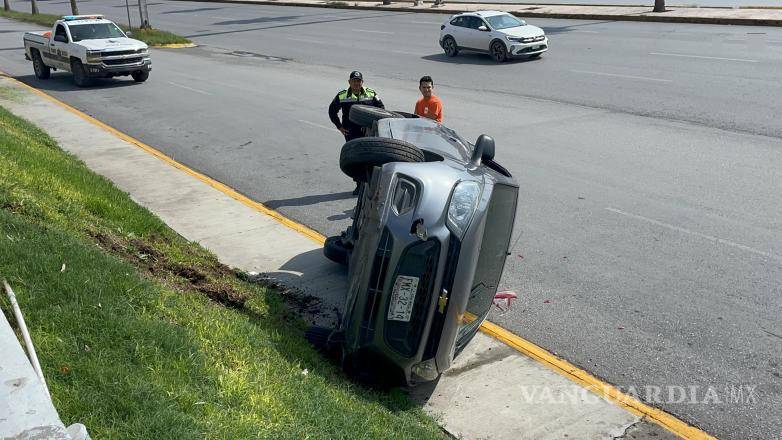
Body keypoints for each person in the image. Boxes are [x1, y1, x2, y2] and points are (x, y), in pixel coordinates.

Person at [328, 71, 385, 142]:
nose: (356, 83)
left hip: (368, 129)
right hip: (350, 131)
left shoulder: (371, 93)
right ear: (349, 82)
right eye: (354, 81)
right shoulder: (342, 95)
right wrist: (339, 126)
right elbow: (332, 111)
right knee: (353, 151)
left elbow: (381, 108)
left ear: (362, 82)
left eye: (358, 81)